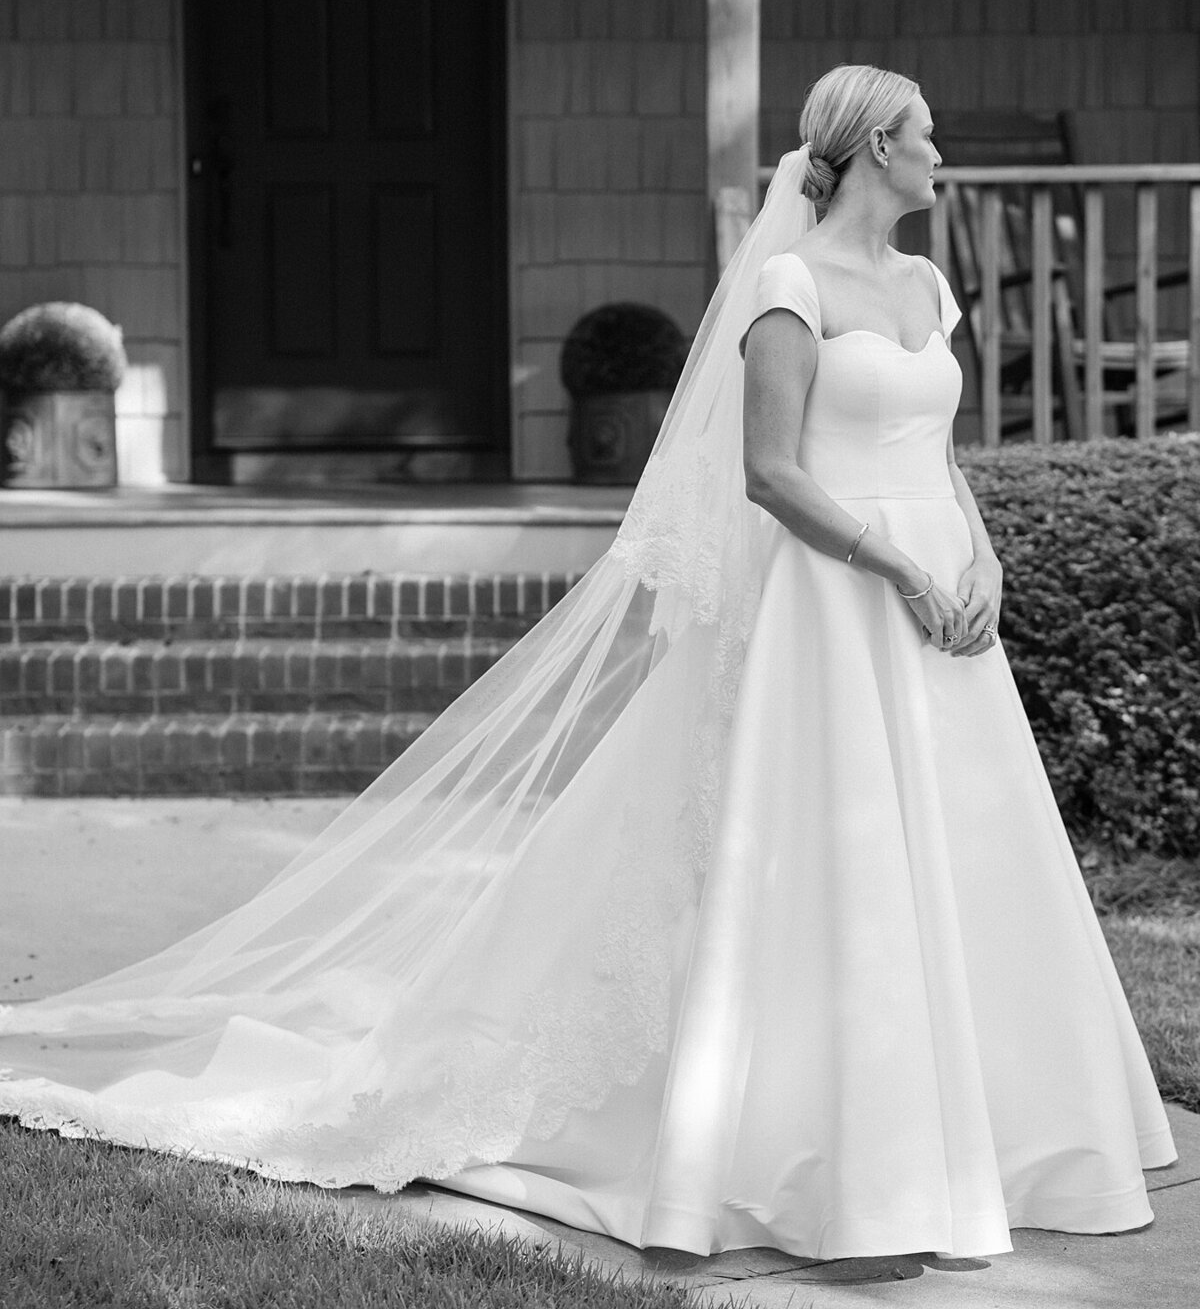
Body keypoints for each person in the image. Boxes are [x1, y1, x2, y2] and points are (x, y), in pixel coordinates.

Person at [0, 64, 1175, 1263]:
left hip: (942, 622)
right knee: (832, 868)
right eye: (928, 135)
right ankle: (833, 1165)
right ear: (877, 145)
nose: (944, 154)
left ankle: (998, 1142)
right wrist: (900, 567)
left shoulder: (928, 285)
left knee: (959, 856)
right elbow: (772, 472)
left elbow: (942, 453)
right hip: (840, 604)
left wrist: (978, 563)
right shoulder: (790, 285)